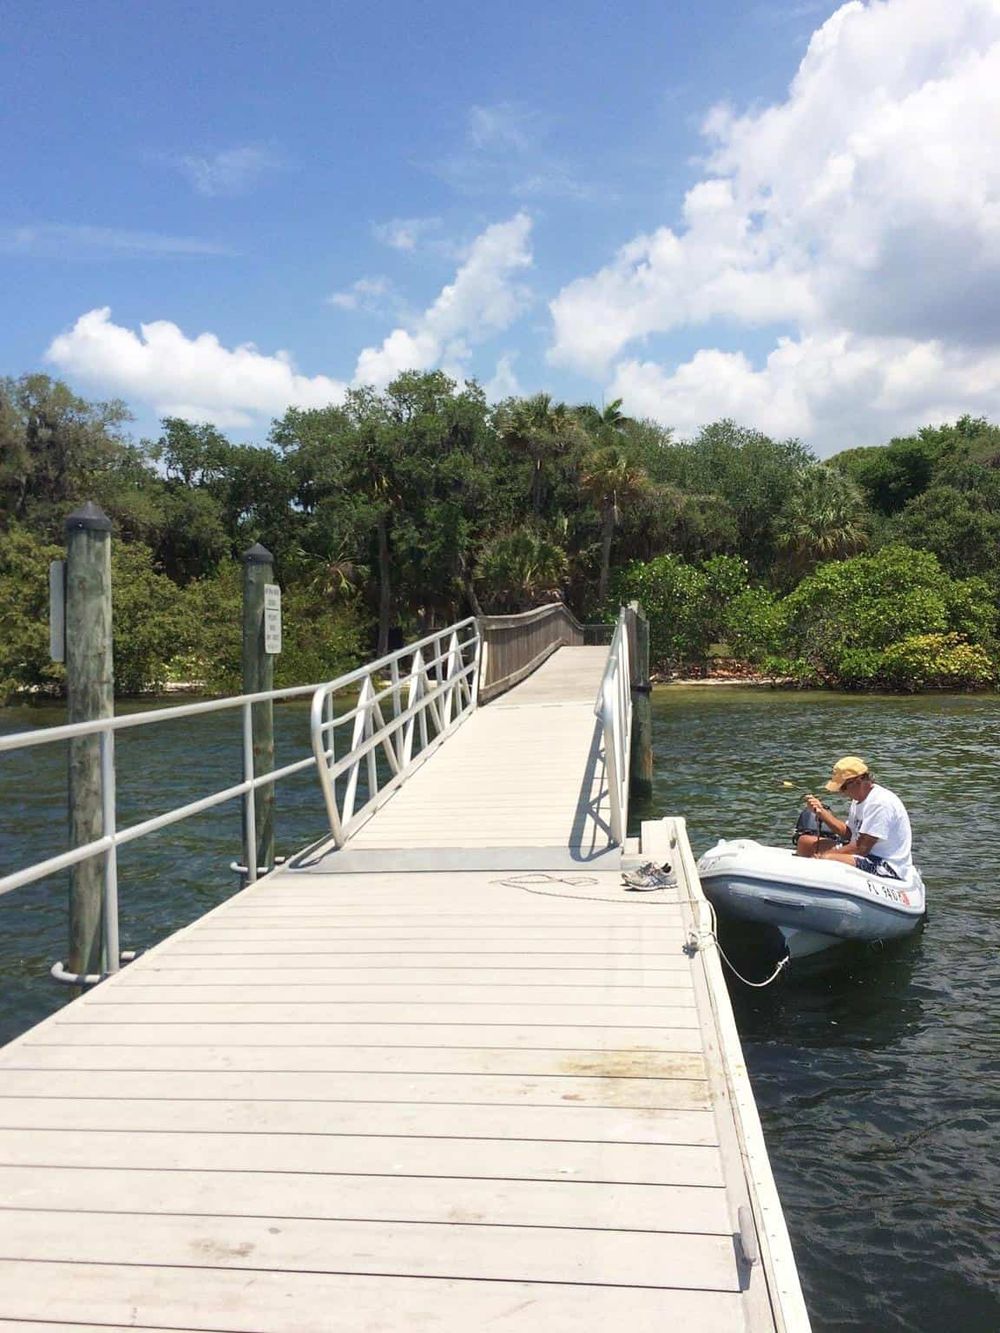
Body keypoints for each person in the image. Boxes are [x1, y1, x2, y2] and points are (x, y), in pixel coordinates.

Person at [795, 755, 913, 879]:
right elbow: (849, 834)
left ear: (858, 781)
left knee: (827, 859)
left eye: (843, 787)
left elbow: (862, 848)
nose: (841, 793)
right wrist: (821, 812)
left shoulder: (880, 803)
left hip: (884, 863)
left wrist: (825, 855)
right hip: (864, 853)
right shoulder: (858, 800)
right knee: (805, 843)